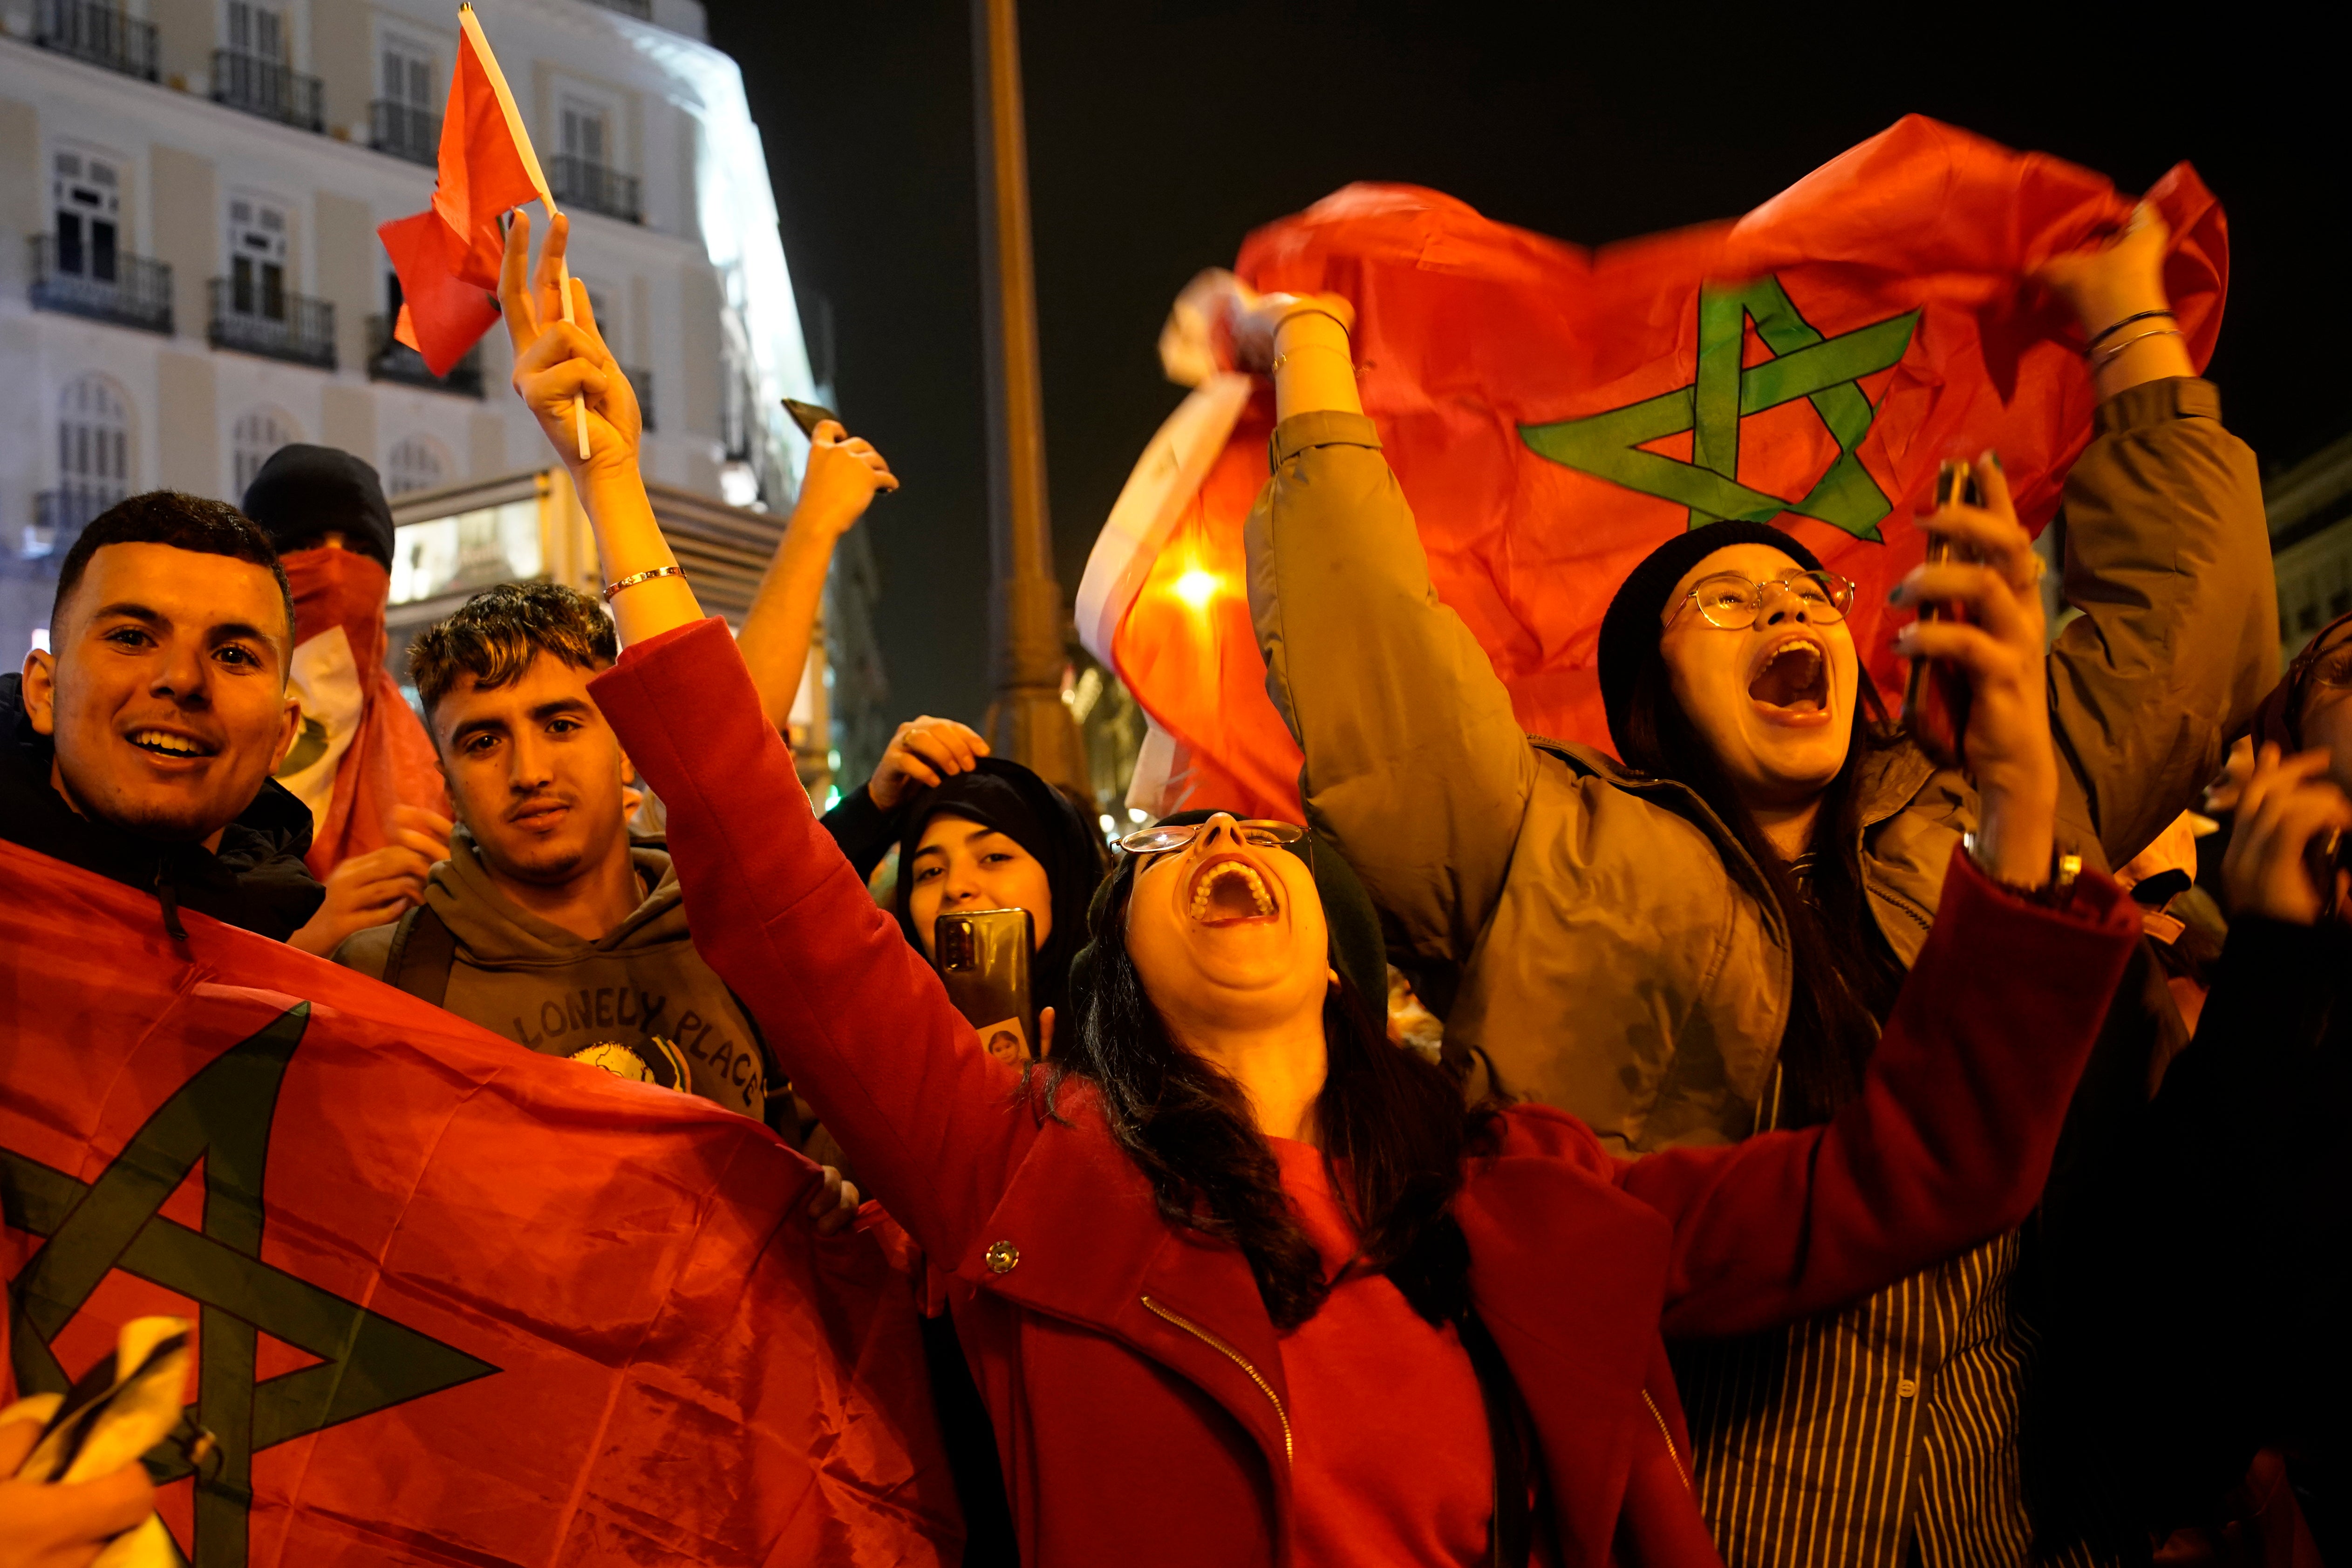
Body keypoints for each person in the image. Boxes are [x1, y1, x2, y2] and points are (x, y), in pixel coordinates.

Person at [496, 205, 2145, 1567]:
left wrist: (2019, 789)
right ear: (1108, 975)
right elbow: (776, 892)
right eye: (1175, 846)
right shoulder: (1020, 1178)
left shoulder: (1535, 1191)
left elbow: (1921, 1169)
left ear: (1349, 970)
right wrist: (614, 491)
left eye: (1260, 838)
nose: (1223, 840)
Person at [1219, 202, 2274, 1564]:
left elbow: (2188, 643)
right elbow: (1377, 670)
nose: (1787, 608)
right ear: (1647, 706)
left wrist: (2127, 316)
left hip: (1997, 1515)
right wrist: (1314, 352)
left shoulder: (1972, 812)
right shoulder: (1540, 850)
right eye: (1724, 601)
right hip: (1705, 1515)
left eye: (1812, 596)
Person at [328, 580, 822, 1154]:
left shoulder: (746, 941)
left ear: (627, 746)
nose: (529, 772)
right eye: (485, 741)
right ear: (450, 787)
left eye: (560, 725)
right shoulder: (380, 983)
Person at [0, 492, 339, 943]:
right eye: (133, 638)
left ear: (282, 735)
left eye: (233, 655)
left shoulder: (303, 982)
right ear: (44, 692)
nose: (183, 680)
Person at [239, 444, 452, 895]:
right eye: (307, 545)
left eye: (358, 550)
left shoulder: (434, 754)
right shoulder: (203, 726)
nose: (336, 572)